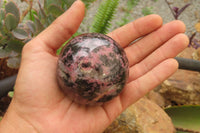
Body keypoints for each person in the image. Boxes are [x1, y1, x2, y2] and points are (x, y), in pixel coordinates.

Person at [0, 0, 189, 132]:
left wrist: (26, 126)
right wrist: (27, 124)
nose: (91, 66)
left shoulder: (108, 64)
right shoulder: (77, 60)